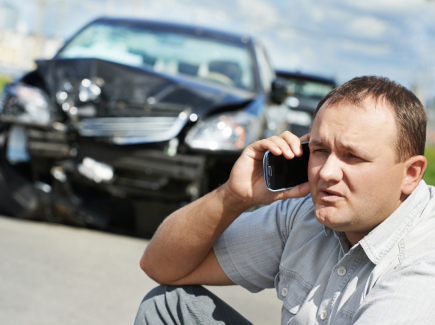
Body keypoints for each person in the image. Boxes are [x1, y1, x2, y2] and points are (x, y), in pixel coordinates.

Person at [134, 76, 434, 325]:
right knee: (169, 306)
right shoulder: (305, 212)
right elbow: (162, 266)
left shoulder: (423, 264)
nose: (326, 173)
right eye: (319, 150)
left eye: (352, 156)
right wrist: (233, 197)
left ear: (410, 173)